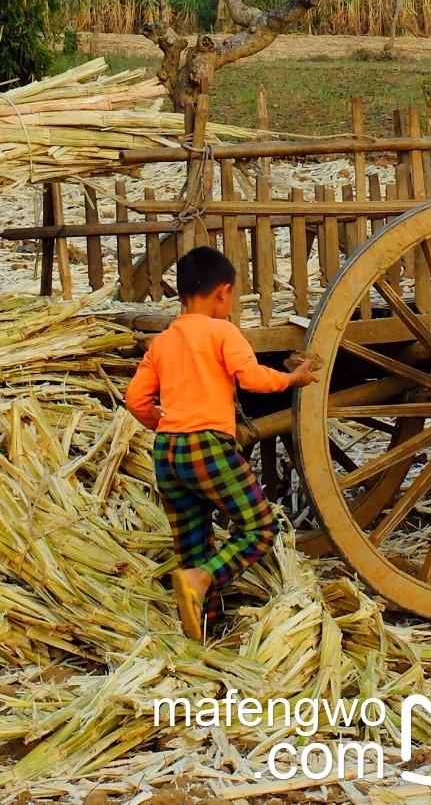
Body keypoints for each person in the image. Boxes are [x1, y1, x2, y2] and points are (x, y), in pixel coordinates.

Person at [124, 246, 318, 641]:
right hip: (207, 447)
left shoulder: (162, 342)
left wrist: (160, 424)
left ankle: (204, 632)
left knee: (193, 544)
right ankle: (203, 578)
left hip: (167, 452)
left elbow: (136, 400)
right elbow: (252, 379)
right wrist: (291, 380)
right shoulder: (222, 332)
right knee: (260, 528)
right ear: (222, 293)